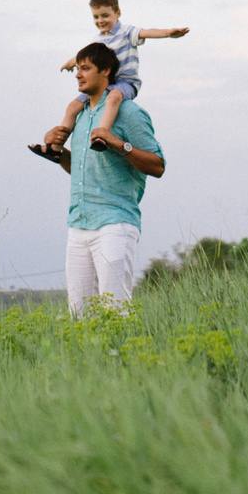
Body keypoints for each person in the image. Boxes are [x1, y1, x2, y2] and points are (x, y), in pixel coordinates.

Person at [40, 43, 165, 316]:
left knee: (116, 312)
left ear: (106, 71)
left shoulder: (129, 112)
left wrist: (120, 144)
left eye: (85, 69)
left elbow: (157, 166)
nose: (78, 74)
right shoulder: (81, 116)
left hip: (115, 224)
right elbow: (84, 170)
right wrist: (57, 152)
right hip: (78, 224)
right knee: (80, 316)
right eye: (77, 69)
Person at [44, 0, 187, 158]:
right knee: (73, 106)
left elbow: (147, 32)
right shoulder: (97, 40)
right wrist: (71, 62)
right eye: (96, 17)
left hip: (125, 82)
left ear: (117, 13)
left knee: (113, 97)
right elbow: (85, 56)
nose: (100, 21)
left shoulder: (126, 32)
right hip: (104, 84)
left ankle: (101, 135)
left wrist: (168, 33)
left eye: (105, 15)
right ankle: (56, 147)